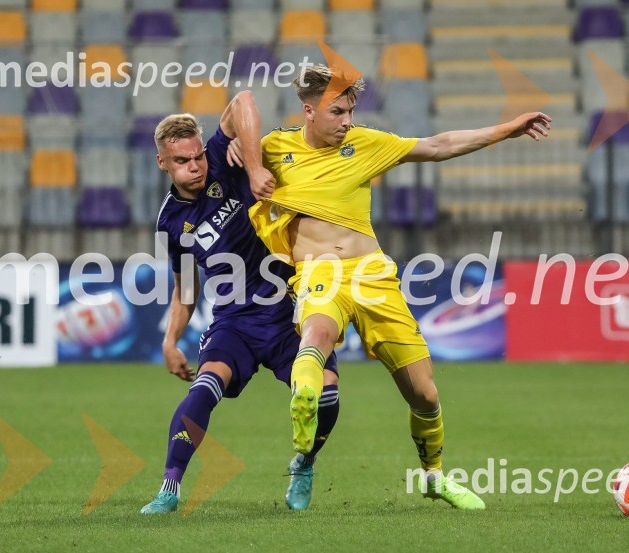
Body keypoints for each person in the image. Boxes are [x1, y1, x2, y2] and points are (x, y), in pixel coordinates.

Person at [228, 64, 550, 510]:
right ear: (309, 110)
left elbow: (438, 145)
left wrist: (506, 130)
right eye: (337, 112)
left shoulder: (365, 143)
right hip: (319, 272)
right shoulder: (272, 149)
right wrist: (248, 164)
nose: (346, 121)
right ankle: (304, 439)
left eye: (351, 111)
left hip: (373, 275)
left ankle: (434, 477)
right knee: (315, 337)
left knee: (424, 393)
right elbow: (236, 116)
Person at [140, 91, 340, 514]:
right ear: (162, 163)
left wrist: (251, 168)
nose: (194, 166)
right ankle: (169, 489)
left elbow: (245, 100)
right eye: (181, 161)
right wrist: (170, 341)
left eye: (196, 157)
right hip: (236, 320)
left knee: (326, 394)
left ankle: (303, 464)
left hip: (290, 308)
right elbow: (187, 286)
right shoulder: (169, 223)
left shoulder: (223, 160)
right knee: (206, 383)